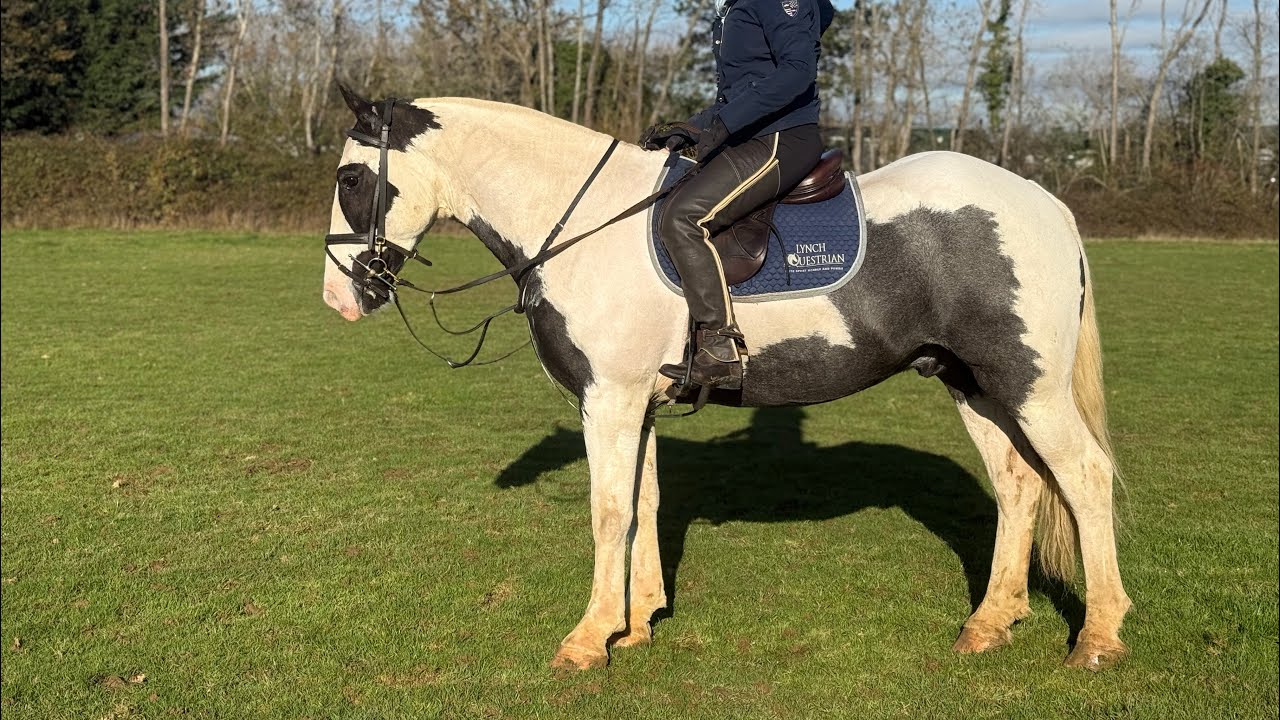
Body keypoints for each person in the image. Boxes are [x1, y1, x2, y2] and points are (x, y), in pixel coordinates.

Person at [642, 0, 836, 390]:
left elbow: (797, 71)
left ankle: (718, 348)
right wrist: (691, 128)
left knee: (682, 218)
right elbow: (739, 92)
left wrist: (725, 124)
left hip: (782, 137)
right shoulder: (731, 8)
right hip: (753, 134)